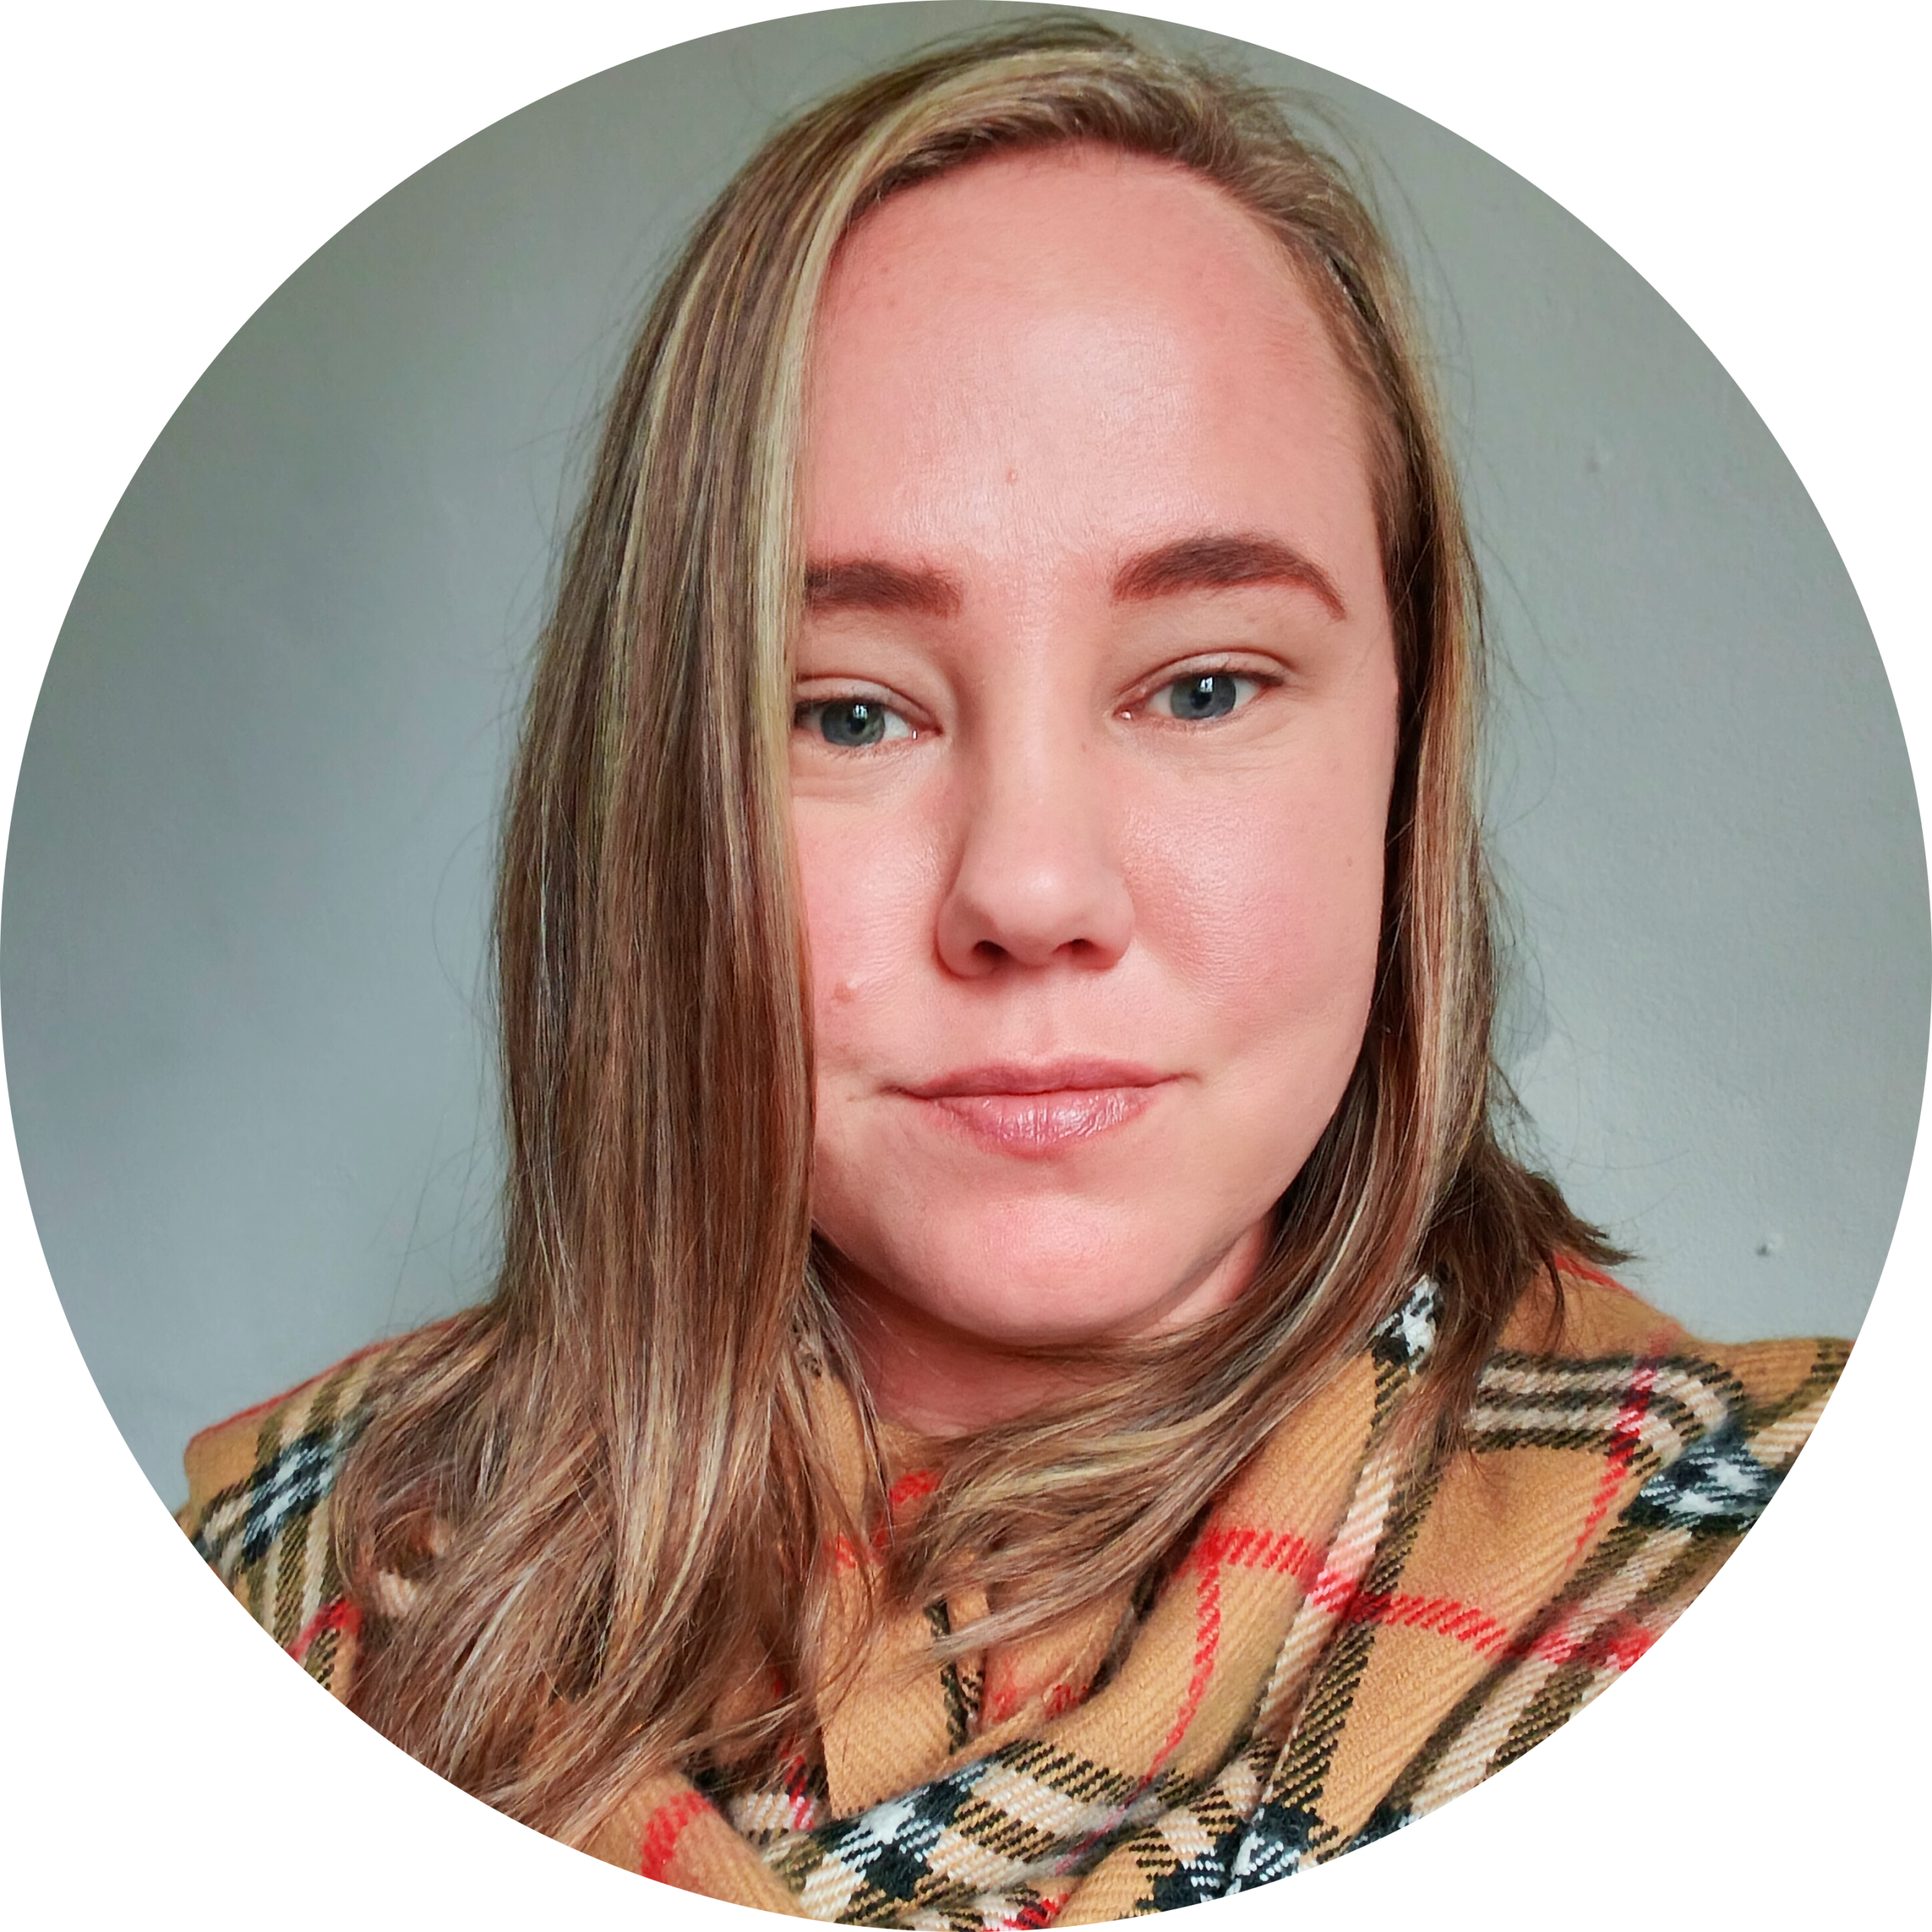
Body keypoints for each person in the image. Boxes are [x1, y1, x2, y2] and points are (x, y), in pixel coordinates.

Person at [176, 21, 1847, 1915]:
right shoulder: (298, 1568)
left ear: (1404, 751)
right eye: (847, 710)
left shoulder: (1703, 1525)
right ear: (654, 805)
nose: (1029, 888)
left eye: (1201, 686)